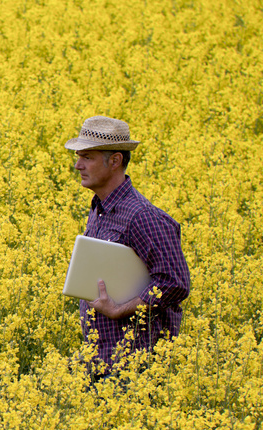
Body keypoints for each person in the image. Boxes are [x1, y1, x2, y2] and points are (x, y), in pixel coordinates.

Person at [65, 116, 191, 379]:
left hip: (136, 365)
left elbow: (175, 283)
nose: (78, 165)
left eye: (87, 157)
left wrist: (121, 309)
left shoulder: (142, 216)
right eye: (79, 157)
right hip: (99, 356)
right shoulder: (99, 209)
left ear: (115, 161)